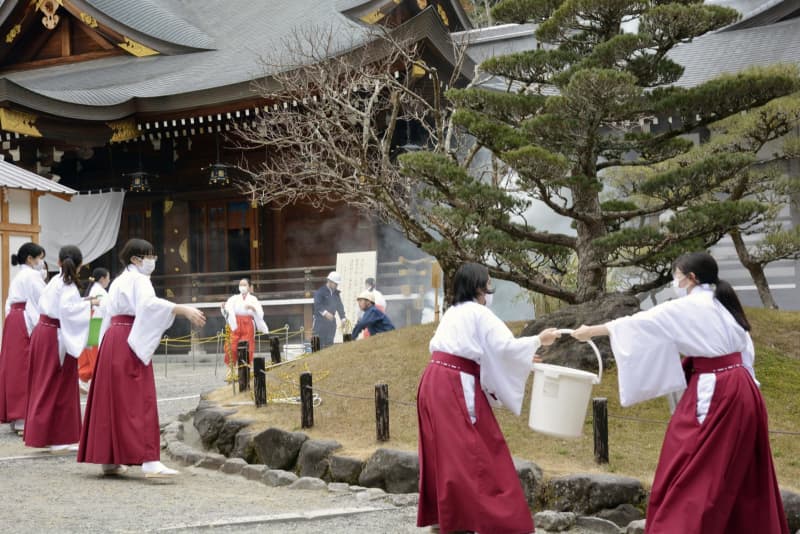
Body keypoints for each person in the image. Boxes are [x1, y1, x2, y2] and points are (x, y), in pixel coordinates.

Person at [572, 252, 789, 534]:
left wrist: (592, 331)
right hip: (742, 388)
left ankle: (681, 526)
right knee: (738, 465)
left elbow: (639, 323)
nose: (675, 279)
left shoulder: (689, 306)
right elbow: (745, 350)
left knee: (694, 464)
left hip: (717, 390)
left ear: (691, 278)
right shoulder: (723, 304)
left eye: (677, 274)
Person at [417, 262, 561, 534]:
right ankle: (495, 521)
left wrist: (523, 356)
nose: (490, 288)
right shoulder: (478, 313)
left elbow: (487, 353)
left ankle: (451, 520)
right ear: (478, 286)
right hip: (455, 383)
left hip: (434, 380)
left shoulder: (453, 312)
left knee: (447, 453)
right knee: (479, 451)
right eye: (488, 282)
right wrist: (538, 339)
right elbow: (504, 348)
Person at [78, 239, 205, 477]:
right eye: (150, 256)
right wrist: (181, 309)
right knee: (139, 398)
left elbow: (106, 312)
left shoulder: (119, 280)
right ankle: (148, 459)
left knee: (113, 398)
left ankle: (110, 459)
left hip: (112, 338)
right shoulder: (139, 279)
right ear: (136, 259)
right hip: (128, 338)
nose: (153, 260)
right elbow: (148, 305)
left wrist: (99, 342)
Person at [24, 245, 95, 452]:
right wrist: (88, 305)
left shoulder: (55, 281)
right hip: (56, 336)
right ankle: (59, 437)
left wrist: (83, 302)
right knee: (58, 384)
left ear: (58, 263)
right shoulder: (69, 286)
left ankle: (42, 433)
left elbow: (63, 307)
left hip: (43, 331)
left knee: (43, 382)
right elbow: (68, 312)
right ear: (80, 265)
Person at [0, 242, 46, 434]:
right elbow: (42, 300)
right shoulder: (32, 275)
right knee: (24, 367)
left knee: (13, 366)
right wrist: (37, 325)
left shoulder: (20, 275)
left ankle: (15, 416)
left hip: (14, 318)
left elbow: (9, 303)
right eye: (40, 258)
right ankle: (21, 417)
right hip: (25, 318)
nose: (42, 263)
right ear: (30, 258)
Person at [221, 278, 268, 381]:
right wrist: (224, 307)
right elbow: (227, 310)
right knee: (232, 347)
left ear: (249, 287)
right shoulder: (234, 298)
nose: (242, 287)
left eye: (244, 284)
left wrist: (253, 308)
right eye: (240, 284)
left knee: (247, 348)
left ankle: (247, 371)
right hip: (235, 324)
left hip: (247, 325)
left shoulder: (253, 299)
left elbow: (260, 313)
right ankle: (231, 372)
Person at [77, 267, 110, 393]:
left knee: (88, 353)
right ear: (102, 278)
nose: (108, 280)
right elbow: (103, 309)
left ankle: (84, 379)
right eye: (108, 277)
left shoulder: (94, 289)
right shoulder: (99, 291)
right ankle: (94, 382)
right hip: (96, 323)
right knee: (94, 354)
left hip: (92, 322)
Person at [312, 271, 346, 348]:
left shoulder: (336, 293)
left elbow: (340, 306)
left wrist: (343, 318)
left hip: (331, 324)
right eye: (335, 283)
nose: (337, 285)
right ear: (329, 281)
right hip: (320, 322)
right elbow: (317, 305)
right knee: (318, 345)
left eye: (337, 284)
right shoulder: (320, 292)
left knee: (329, 345)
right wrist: (325, 313)